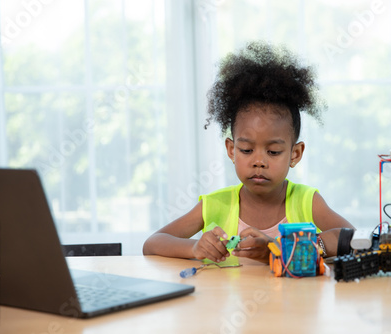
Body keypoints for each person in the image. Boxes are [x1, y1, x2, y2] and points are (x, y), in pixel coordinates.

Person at [143, 41, 354, 264]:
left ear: (295, 154)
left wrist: (281, 249)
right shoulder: (215, 205)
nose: (259, 161)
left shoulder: (306, 202)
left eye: (273, 152)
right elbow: (152, 243)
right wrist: (195, 247)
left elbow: (354, 240)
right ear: (231, 150)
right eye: (246, 150)